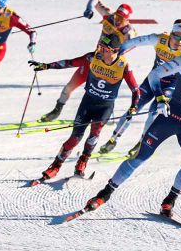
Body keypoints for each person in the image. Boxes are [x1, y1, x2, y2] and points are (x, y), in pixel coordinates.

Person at [82, 35, 181, 217]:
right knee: (140, 157)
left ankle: (169, 202)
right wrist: (160, 97)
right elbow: (155, 75)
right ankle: (105, 193)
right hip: (168, 119)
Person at [29, 34, 139, 182]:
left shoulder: (123, 65)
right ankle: (56, 165)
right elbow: (69, 63)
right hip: (88, 103)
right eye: (100, 47)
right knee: (75, 138)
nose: (100, 51)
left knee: (94, 135)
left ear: (114, 51)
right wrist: (46, 66)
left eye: (104, 49)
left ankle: (83, 160)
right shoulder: (92, 57)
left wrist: (133, 107)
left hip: (105, 107)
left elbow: (135, 90)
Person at [99, 18, 181, 155]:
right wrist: (119, 52)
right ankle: (113, 140)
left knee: (153, 113)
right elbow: (135, 42)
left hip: (169, 86)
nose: (179, 41)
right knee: (133, 109)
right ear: (171, 33)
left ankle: (141, 143)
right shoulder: (159, 39)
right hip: (151, 81)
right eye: (177, 36)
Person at [40, 0, 138, 122]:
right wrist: (89, 9)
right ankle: (57, 110)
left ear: (127, 20)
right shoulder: (109, 15)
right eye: (117, 17)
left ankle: (106, 114)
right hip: (94, 59)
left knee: (104, 93)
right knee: (69, 87)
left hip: (109, 66)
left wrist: (116, 52)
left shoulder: (128, 32)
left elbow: (133, 44)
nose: (117, 21)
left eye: (121, 19)